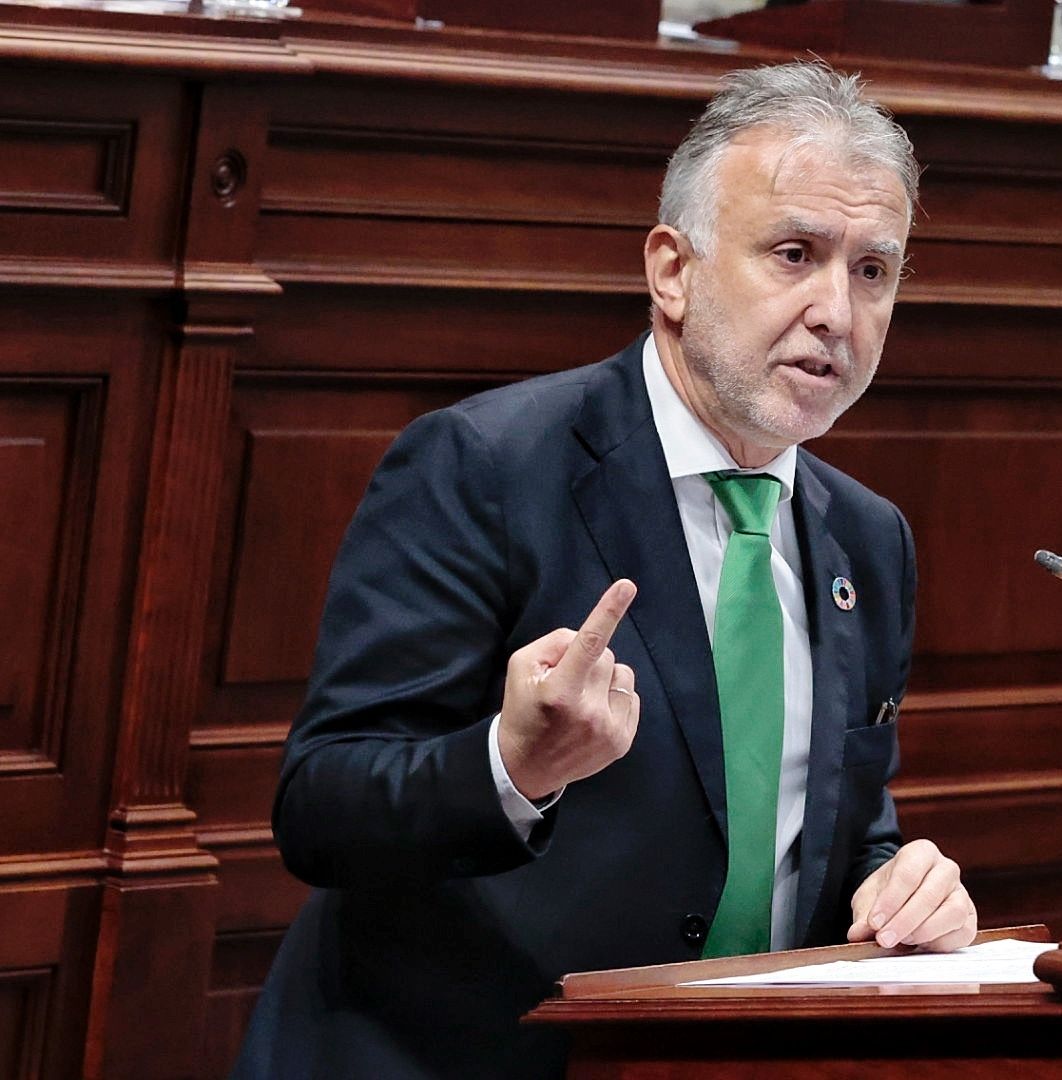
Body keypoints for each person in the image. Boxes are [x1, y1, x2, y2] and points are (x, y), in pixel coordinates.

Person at [231, 61, 977, 1080]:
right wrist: (512, 767)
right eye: (795, 254)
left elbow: (834, 826)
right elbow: (321, 810)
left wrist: (900, 881)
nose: (836, 312)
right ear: (673, 270)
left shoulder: (868, 537)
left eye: (873, 271)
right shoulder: (485, 467)